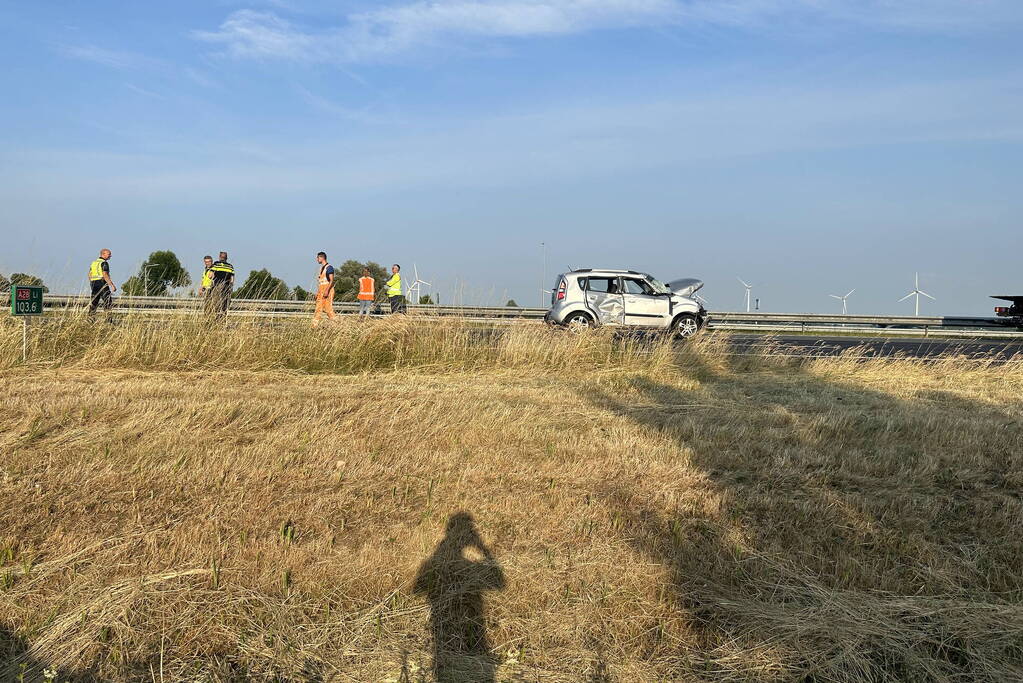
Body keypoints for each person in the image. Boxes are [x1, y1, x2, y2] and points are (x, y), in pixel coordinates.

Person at [88, 248, 116, 313]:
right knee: (108, 301)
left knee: (94, 302)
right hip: (102, 283)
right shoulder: (104, 263)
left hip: (94, 283)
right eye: (109, 254)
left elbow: (89, 274)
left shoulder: (94, 263)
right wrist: (112, 285)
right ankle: (108, 320)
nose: (110, 256)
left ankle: (90, 319)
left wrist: (92, 283)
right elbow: (105, 275)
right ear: (103, 254)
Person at [312, 251, 336, 326]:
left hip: (327, 291)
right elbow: (321, 283)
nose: (317, 259)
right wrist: (318, 293)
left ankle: (337, 324)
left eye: (318, 257)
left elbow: (331, 280)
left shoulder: (329, 268)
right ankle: (314, 326)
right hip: (321, 291)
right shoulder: (321, 268)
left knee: (328, 309)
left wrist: (327, 291)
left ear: (322, 257)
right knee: (318, 308)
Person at [209, 251, 235, 317]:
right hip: (226, 287)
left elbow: (210, 276)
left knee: (216, 303)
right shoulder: (230, 266)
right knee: (225, 303)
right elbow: (232, 280)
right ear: (226, 258)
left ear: (220, 257)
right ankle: (223, 316)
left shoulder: (216, 264)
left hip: (217, 286)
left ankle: (217, 317)